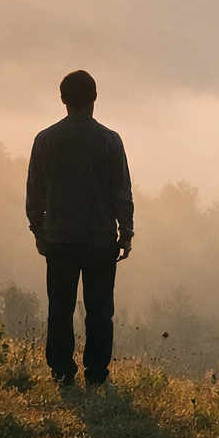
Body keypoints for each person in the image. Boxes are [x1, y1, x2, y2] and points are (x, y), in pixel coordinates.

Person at [26, 69, 134, 389]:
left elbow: (35, 192)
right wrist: (125, 232)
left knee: (60, 310)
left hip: (59, 239)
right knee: (100, 312)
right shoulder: (110, 140)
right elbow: (121, 192)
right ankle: (97, 376)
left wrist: (39, 232)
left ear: (63, 99)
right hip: (100, 240)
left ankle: (61, 374)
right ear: (95, 97)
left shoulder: (45, 139)